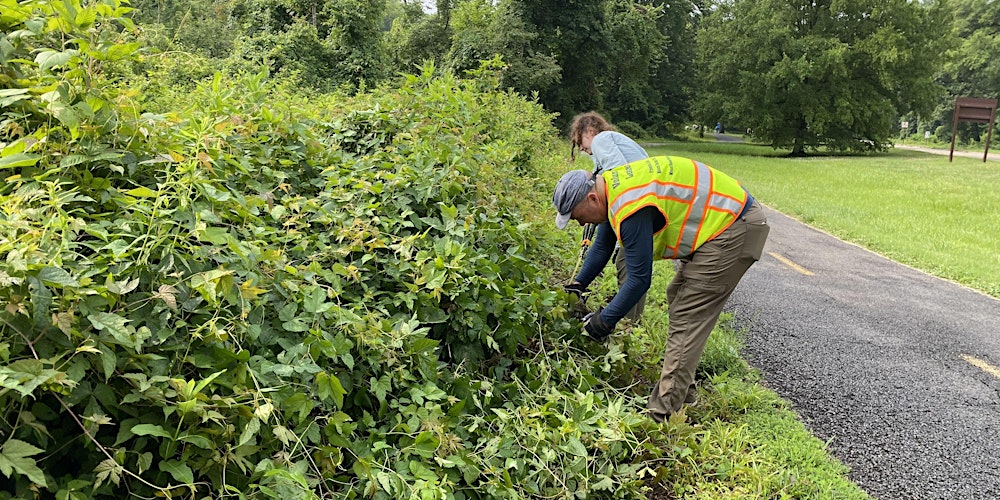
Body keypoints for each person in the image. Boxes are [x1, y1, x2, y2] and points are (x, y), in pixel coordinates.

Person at [552, 156, 770, 422]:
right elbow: (602, 246)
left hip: (734, 226)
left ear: (591, 199)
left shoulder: (630, 207)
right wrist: (577, 286)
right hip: (725, 221)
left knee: (688, 314)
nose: (580, 224)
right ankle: (683, 392)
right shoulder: (610, 187)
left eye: (577, 217)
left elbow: (638, 280)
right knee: (677, 296)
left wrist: (603, 322)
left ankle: (661, 415)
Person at [567, 112, 649, 321]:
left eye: (581, 143)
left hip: (636, 206)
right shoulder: (614, 146)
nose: (583, 149)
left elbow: (620, 173)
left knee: (627, 264)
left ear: (590, 131)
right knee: (613, 251)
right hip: (640, 205)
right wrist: (579, 284)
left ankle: (627, 326)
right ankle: (628, 323)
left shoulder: (602, 140)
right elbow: (602, 245)